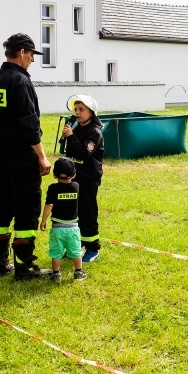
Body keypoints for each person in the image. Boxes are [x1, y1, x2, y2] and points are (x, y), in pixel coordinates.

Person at [0, 33, 51, 280]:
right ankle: (25, 267)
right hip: (23, 155)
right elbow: (29, 124)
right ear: (21, 52)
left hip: (1, 153)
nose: (32, 59)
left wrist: (1, 141)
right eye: (31, 54)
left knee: (3, 206)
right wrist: (42, 157)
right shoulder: (20, 82)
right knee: (27, 209)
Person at [63, 95, 105, 263]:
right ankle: (76, 245)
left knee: (88, 212)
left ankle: (93, 248)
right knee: (74, 213)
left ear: (91, 113)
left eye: (82, 110)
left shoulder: (94, 133)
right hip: (75, 178)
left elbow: (83, 154)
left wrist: (71, 137)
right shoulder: (77, 128)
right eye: (76, 109)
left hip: (88, 179)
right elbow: (71, 154)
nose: (77, 113)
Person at [39, 158, 87, 283]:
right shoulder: (76, 187)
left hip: (57, 228)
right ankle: (78, 272)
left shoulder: (53, 189)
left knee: (56, 253)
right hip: (73, 228)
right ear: (74, 175)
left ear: (54, 175)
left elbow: (49, 205)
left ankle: (56, 274)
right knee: (76, 251)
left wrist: (43, 221)